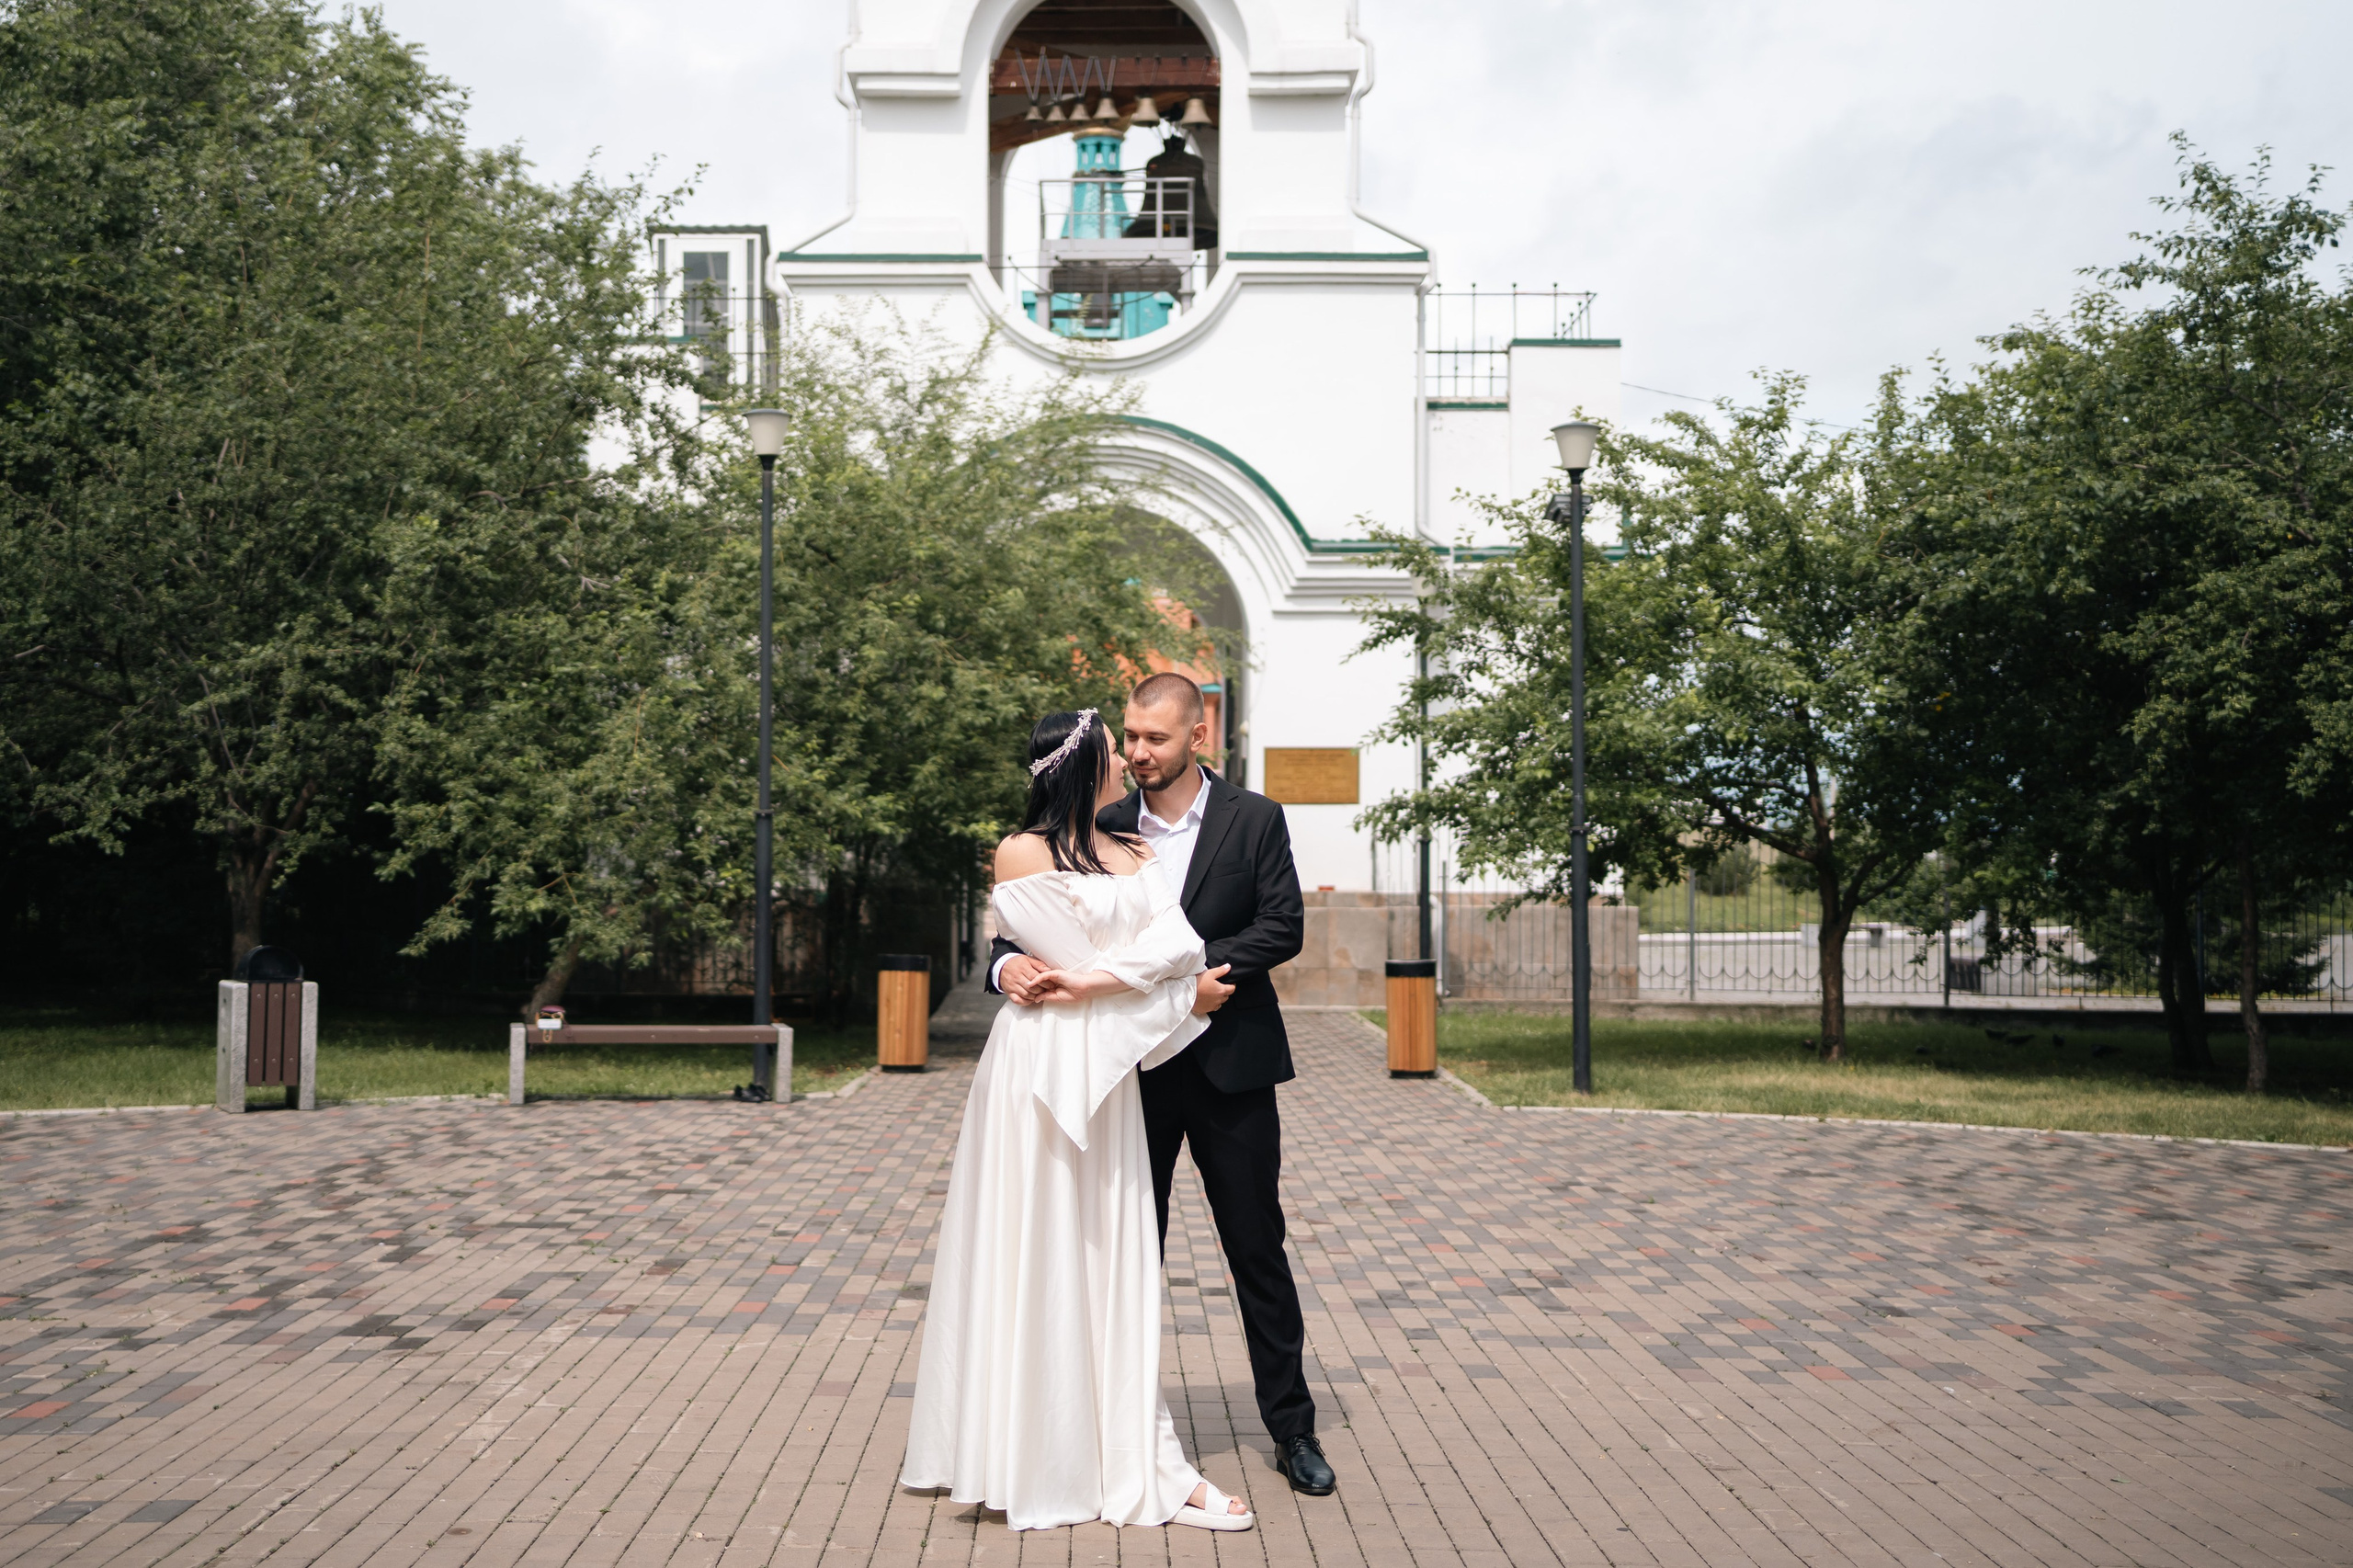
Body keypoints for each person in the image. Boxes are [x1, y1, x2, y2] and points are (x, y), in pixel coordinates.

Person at [900, 708, 1255, 1532]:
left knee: (1109, 1256)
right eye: (1110, 749)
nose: (1125, 762)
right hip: (1035, 1070)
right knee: (1029, 1247)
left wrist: (1115, 983)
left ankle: (1128, 1455)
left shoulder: (1134, 852)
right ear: (1078, 763)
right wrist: (1025, 967)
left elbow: (1174, 951)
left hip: (1108, 1075)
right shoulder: (1021, 852)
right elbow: (1051, 957)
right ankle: (1016, 1453)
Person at [990, 674, 1336, 1497]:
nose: (1139, 752)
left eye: (1156, 739)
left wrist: (1198, 977)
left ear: (1198, 735)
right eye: (1131, 739)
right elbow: (1020, 930)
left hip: (1230, 1064)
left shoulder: (1256, 819)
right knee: (1113, 1251)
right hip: (1122, 1078)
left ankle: (1292, 1431)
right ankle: (1111, 1428)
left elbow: (1281, 925)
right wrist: (1006, 968)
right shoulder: (1097, 823)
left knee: (1256, 1248)